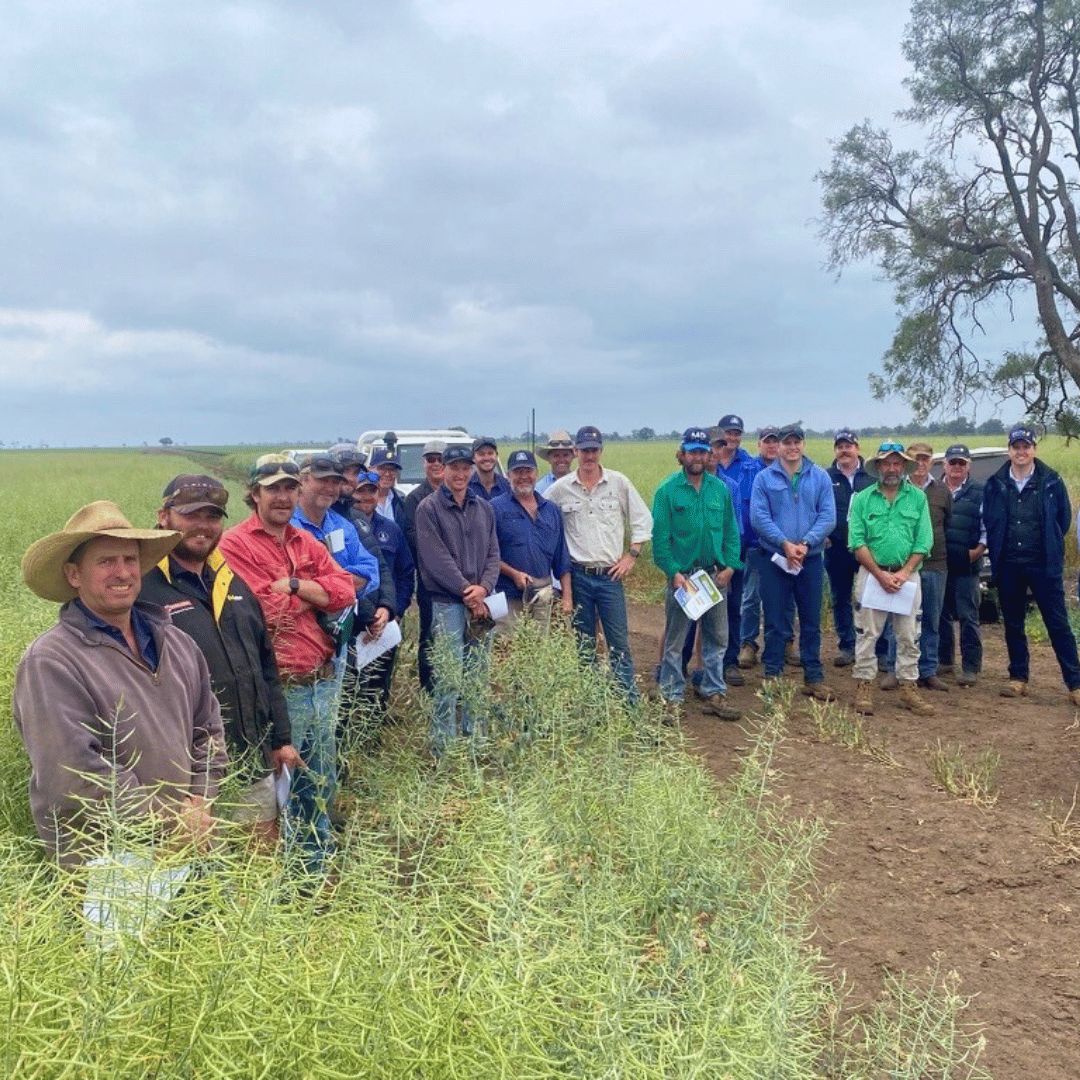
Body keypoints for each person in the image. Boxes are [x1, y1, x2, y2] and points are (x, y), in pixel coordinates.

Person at [14, 501, 228, 867]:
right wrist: (173, 821)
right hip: (108, 864)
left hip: (188, 845)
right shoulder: (50, 660)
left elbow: (208, 731)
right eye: (106, 561)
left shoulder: (177, 643)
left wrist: (200, 803)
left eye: (130, 560)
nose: (122, 572)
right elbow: (73, 773)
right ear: (73, 575)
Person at [141, 475, 301, 846]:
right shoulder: (143, 589)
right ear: (163, 516)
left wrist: (281, 738)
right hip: (189, 775)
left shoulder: (232, 582)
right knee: (202, 878)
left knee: (259, 861)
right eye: (191, 514)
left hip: (250, 758)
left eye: (213, 516)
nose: (203, 525)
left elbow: (265, 666)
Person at [218, 455, 356, 874]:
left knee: (320, 777)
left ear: (298, 492)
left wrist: (295, 585)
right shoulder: (233, 544)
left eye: (289, 488)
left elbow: (345, 589)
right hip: (282, 686)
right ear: (254, 494)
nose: (282, 497)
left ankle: (317, 860)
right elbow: (260, 608)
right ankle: (289, 872)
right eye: (272, 488)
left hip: (322, 680)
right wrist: (313, 595)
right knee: (282, 785)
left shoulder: (303, 541)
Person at [546, 425, 653, 702]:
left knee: (619, 643)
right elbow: (539, 518)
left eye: (593, 450)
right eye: (584, 450)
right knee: (584, 645)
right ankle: (591, 704)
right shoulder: (560, 489)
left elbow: (642, 519)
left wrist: (632, 555)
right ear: (575, 452)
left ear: (600, 451)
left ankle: (629, 703)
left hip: (610, 579)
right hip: (579, 576)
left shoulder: (618, 483)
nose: (589, 456)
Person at [982, 426, 1080, 704]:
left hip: (1043, 564)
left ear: (1034, 449)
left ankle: (1075, 684)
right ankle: (1018, 678)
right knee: (1013, 623)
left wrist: (1048, 546)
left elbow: (1062, 520)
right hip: (1009, 564)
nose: (1021, 451)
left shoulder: (1052, 481)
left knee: (1058, 624)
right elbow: (990, 520)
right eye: (1016, 447)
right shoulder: (995, 483)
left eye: (1026, 446)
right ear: (1009, 450)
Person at [415, 444, 501, 756]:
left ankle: (475, 739)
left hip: (481, 601)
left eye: (466, 468)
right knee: (449, 677)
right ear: (445, 470)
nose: (461, 474)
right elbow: (436, 560)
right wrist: (469, 592)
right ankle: (443, 747)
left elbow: (494, 553)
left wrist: (485, 588)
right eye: (455, 468)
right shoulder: (428, 509)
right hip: (448, 604)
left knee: (478, 673)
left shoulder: (484, 508)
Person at [652, 428, 743, 719]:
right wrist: (673, 572)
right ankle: (672, 696)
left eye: (703, 451)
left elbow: (731, 531)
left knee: (718, 638)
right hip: (684, 578)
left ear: (709, 455)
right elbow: (661, 539)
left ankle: (715, 693)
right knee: (676, 640)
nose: (698, 457)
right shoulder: (667, 491)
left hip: (714, 577)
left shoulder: (720, 490)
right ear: (682, 454)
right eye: (692, 451)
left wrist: (730, 566)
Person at [846, 442, 936, 717]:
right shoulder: (862, 498)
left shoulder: (918, 498)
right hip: (872, 575)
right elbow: (856, 541)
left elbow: (924, 541)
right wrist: (879, 573)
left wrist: (904, 572)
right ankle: (864, 685)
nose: (892, 468)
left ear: (904, 467)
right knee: (867, 633)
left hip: (907, 577)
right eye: (887, 463)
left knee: (909, 634)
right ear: (879, 467)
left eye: (897, 463)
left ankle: (908, 686)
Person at [749, 423, 837, 699]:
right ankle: (772, 675)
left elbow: (828, 516)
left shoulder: (819, 476)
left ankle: (814, 676)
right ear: (779, 447)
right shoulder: (764, 478)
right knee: (775, 619)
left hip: (809, 559)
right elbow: (759, 517)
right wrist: (785, 544)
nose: (792, 447)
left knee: (811, 619)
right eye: (787, 443)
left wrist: (806, 543)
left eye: (797, 442)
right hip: (775, 558)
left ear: (803, 445)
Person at [881, 443, 952, 692]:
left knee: (931, 619)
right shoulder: (897, 490)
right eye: (916, 459)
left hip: (935, 564)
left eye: (925, 459)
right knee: (898, 620)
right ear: (908, 463)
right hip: (903, 567)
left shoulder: (942, 491)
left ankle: (928, 670)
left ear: (931, 461)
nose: (921, 463)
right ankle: (894, 669)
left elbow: (948, 525)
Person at [350, 469, 415, 722]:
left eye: (371, 491)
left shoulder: (391, 530)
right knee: (352, 682)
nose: (366, 497)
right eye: (361, 490)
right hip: (356, 618)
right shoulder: (347, 527)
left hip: (385, 619)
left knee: (380, 680)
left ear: (378, 495)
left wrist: (395, 611)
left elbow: (405, 573)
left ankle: (373, 732)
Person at [737, 426, 797, 669]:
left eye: (776, 442)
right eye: (767, 441)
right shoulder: (750, 471)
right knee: (751, 596)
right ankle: (748, 644)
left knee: (787, 596)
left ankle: (786, 641)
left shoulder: (790, 470)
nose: (772, 446)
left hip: (787, 548)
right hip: (756, 546)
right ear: (759, 444)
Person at [492, 449, 572, 624]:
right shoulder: (495, 508)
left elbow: (562, 558)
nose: (523, 476)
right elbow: (487, 555)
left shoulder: (551, 510)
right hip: (507, 596)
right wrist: (513, 574)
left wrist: (567, 597)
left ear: (536, 474)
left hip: (543, 594)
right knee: (506, 647)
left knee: (538, 647)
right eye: (517, 472)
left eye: (528, 471)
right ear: (508, 476)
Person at [824, 430, 876, 667]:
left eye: (849, 445)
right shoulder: (826, 477)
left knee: (872, 598)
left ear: (858, 447)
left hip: (867, 548)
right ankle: (847, 645)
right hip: (836, 548)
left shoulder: (872, 476)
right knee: (840, 598)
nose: (844, 450)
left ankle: (877, 648)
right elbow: (819, 509)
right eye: (840, 446)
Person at [712, 413, 757, 686]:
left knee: (733, 605)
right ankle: (688, 665)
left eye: (736, 433)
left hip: (733, 554)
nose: (732, 438)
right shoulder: (693, 476)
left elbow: (738, 524)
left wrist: (729, 563)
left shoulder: (747, 469)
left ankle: (730, 661)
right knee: (694, 612)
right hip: (700, 557)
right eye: (727, 433)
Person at [938, 444, 986, 687]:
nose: (957, 467)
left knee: (968, 616)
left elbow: (987, 526)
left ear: (969, 466)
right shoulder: (933, 489)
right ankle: (945, 660)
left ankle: (970, 667)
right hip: (939, 563)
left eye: (961, 463)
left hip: (967, 564)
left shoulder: (980, 491)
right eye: (952, 462)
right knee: (941, 615)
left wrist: (978, 551)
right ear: (944, 465)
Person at [403, 440, 446, 695]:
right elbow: (413, 538)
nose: (436, 463)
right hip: (430, 580)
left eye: (441, 458)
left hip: (459, 581)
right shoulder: (415, 499)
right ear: (424, 464)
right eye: (431, 459)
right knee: (429, 634)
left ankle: (454, 687)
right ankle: (429, 689)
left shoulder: (461, 496)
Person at [369, 447, 408, 529]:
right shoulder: (361, 501)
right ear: (370, 470)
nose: (387, 474)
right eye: (382, 468)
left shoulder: (402, 501)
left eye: (392, 470)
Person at [468, 436, 512, 502]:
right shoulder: (466, 487)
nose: (486, 458)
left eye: (490, 453)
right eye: (481, 454)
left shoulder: (507, 486)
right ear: (473, 458)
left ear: (496, 456)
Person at [535, 430, 576, 495]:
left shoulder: (581, 484)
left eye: (565, 455)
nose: (561, 459)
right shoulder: (539, 488)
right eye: (556, 456)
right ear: (549, 458)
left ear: (572, 456)